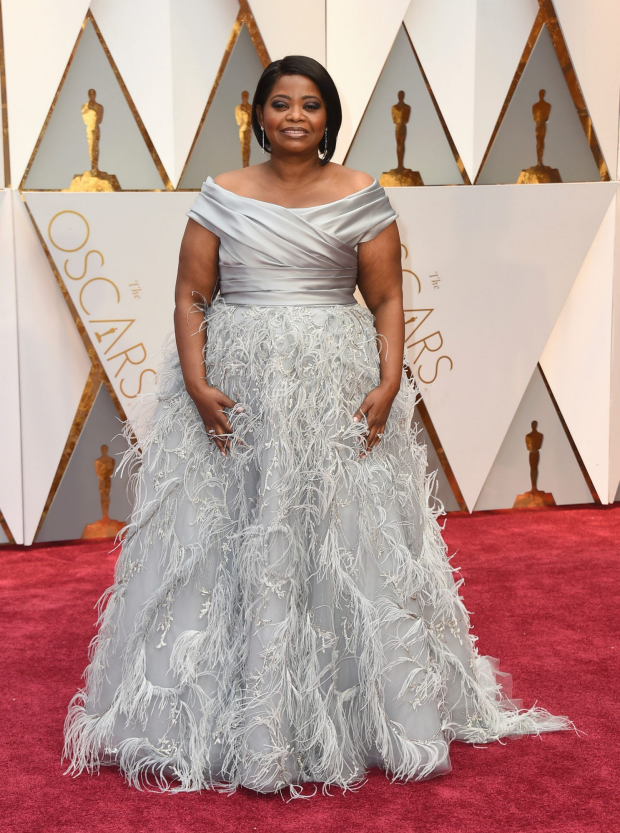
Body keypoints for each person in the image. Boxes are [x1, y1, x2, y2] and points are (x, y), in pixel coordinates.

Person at [62, 55, 576, 799]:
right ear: (259, 117)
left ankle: (353, 711)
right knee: (232, 535)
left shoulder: (365, 196)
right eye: (279, 103)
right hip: (241, 392)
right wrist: (200, 384)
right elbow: (189, 294)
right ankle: (224, 715)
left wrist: (390, 378)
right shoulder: (219, 195)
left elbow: (388, 298)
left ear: (328, 117)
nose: (294, 115)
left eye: (309, 104)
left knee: (342, 535)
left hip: (334, 390)